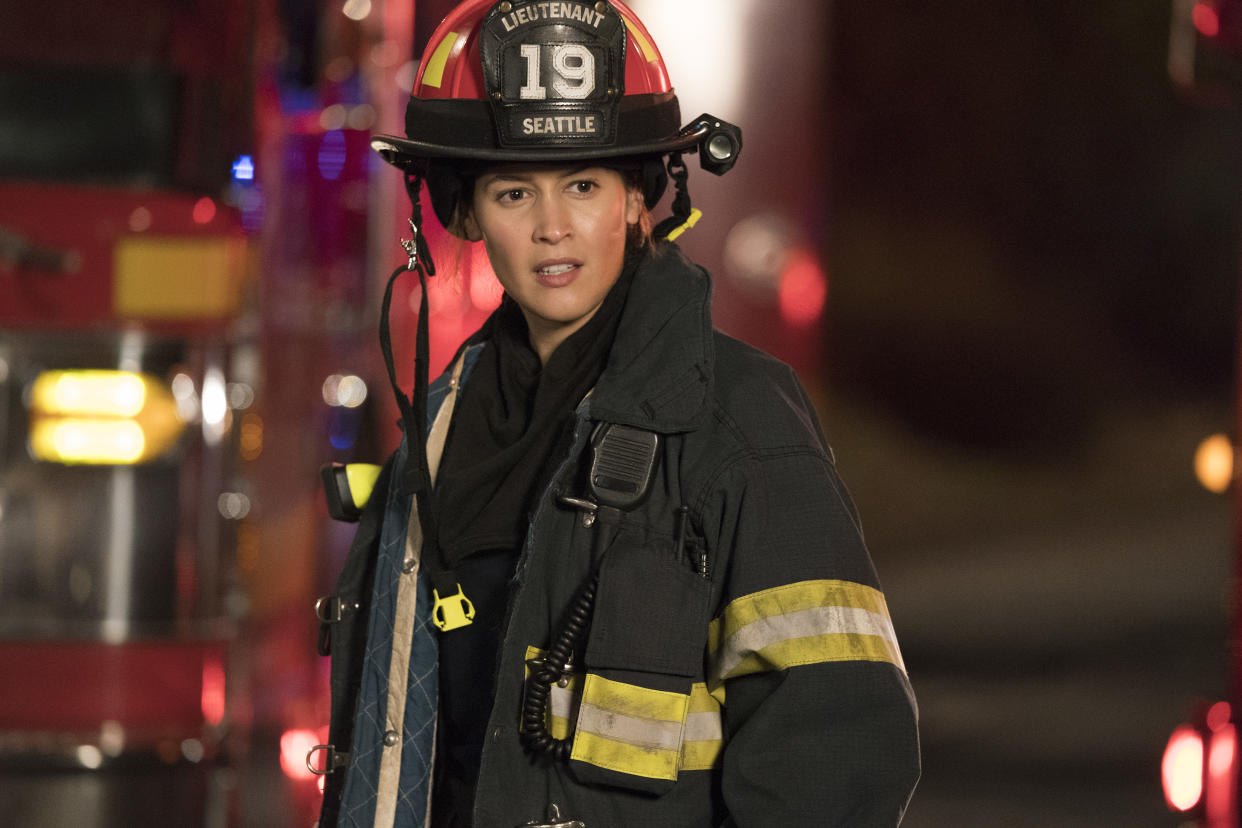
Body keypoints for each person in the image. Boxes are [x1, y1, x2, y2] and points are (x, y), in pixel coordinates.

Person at [315, 1, 920, 826]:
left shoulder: (739, 424)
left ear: (640, 201)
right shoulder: (443, 434)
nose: (552, 228)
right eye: (513, 191)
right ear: (462, 215)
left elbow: (839, 752)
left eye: (585, 185)